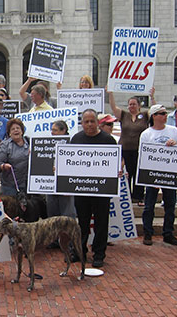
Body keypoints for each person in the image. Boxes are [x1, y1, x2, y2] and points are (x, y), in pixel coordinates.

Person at [71, 109, 119, 268]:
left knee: (101, 223)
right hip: (81, 190)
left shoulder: (108, 140)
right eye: (86, 121)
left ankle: (99, 254)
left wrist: (117, 170)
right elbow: (71, 162)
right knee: (82, 223)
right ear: (82, 123)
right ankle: (79, 252)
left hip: (102, 190)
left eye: (92, 121)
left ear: (98, 122)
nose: (90, 124)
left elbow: (116, 162)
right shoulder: (76, 139)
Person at [139, 105, 177, 247]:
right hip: (152, 175)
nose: (165, 116)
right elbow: (143, 155)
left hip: (169, 174)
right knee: (149, 206)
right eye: (162, 113)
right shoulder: (146, 134)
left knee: (170, 205)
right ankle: (147, 232)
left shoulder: (173, 131)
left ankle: (168, 233)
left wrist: (175, 145)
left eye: (165, 113)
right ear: (154, 116)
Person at [108, 86, 156, 206]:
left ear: (139, 105)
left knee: (138, 174)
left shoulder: (145, 115)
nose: (131, 106)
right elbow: (114, 108)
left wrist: (152, 97)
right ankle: (127, 196)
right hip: (125, 149)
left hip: (139, 150)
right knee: (126, 173)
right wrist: (110, 93)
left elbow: (155, 111)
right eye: (130, 104)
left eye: (134, 104)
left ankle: (138, 197)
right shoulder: (124, 115)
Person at [0, 119, 29, 196]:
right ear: (9, 133)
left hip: (27, 184)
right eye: (13, 129)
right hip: (10, 186)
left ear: (22, 131)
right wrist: (4, 166)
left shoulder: (30, 142)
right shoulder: (5, 145)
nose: (15, 130)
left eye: (18, 128)